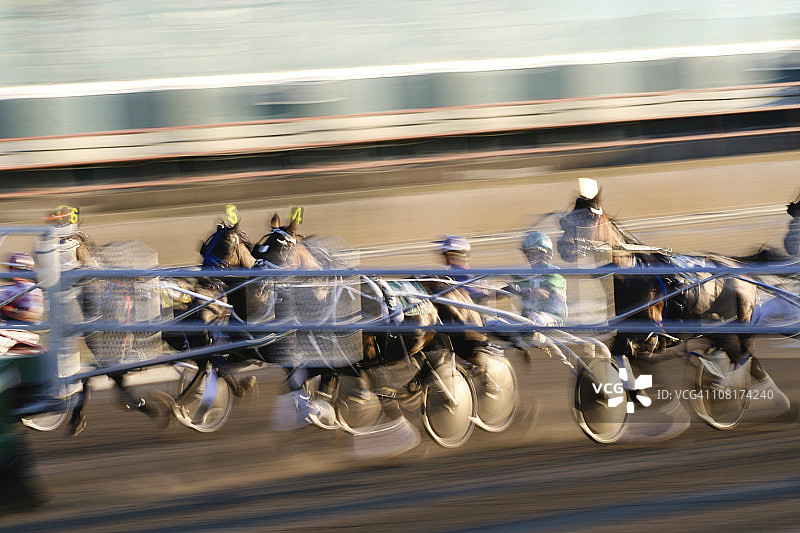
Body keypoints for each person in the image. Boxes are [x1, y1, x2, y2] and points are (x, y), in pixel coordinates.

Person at [505, 231, 568, 329]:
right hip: (529, 318)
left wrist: (522, 290)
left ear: (545, 254)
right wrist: (492, 292)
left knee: (529, 321)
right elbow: (510, 286)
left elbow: (544, 293)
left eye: (533, 254)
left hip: (552, 319)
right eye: (527, 253)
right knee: (494, 322)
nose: (529, 257)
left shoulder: (554, 273)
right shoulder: (526, 275)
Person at [439, 235, 490, 304]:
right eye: (446, 254)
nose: (447, 257)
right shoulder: (446, 278)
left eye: (452, 254)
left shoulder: (477, 275)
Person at [0, 252, 44, 325]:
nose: (13, 270)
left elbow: (33, 315)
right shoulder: (11, 287)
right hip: (6, 327)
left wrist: (9, 311)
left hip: (21, 331)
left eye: (17, 268)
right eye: (12, 268)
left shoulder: (31, 289)